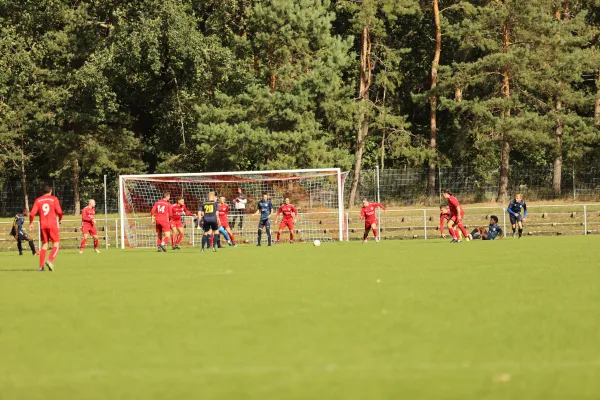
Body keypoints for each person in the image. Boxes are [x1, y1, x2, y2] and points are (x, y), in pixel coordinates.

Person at [29, 184, 63, 271]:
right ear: (51, 191)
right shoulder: (54, 199)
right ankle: (50, 260)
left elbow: (32, 213)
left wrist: (31, 223)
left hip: (43, 225)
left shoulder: (38, 200)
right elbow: (59, 211)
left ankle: (41, 267)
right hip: (52, 224)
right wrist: (60, 219)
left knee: (45, 245)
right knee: (56, 243)